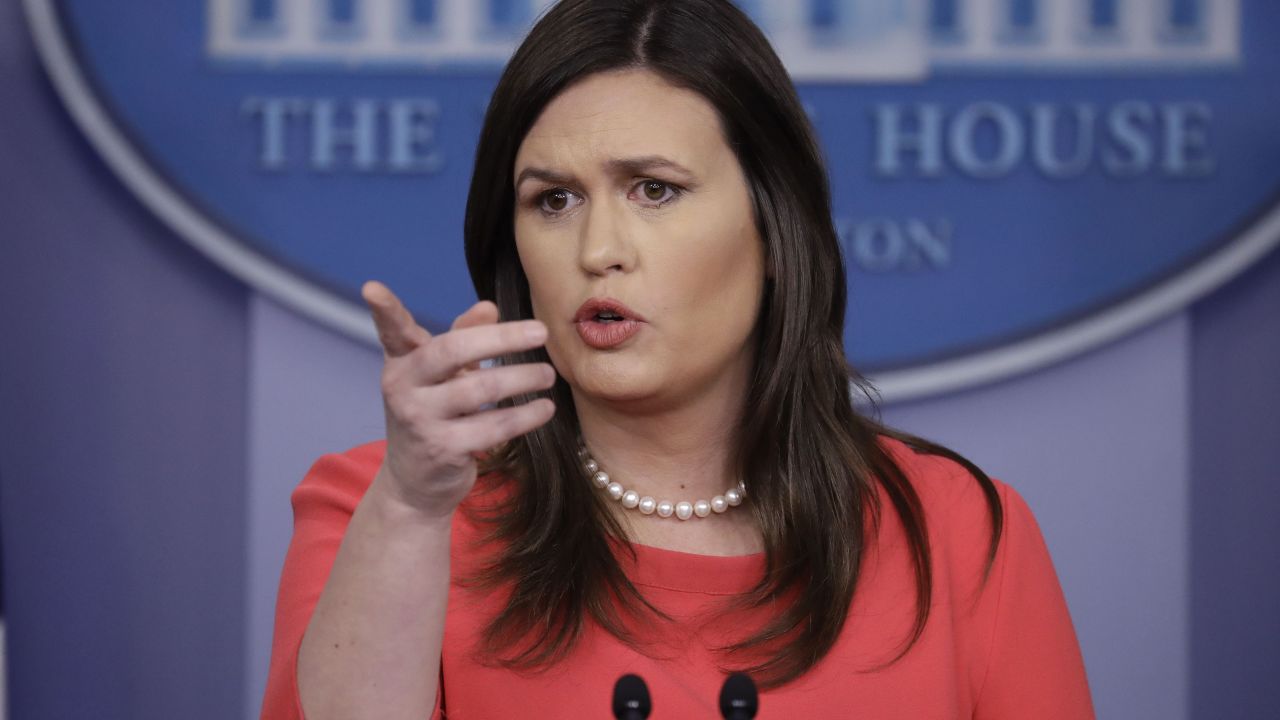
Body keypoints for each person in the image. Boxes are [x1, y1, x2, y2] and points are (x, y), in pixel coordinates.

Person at [261, 1, 1094, 717]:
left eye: (653, 189)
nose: (598, 250)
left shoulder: (959, 535)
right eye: (554, 200)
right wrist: (409, 512)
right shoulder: (384, 513)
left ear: (774, 230)